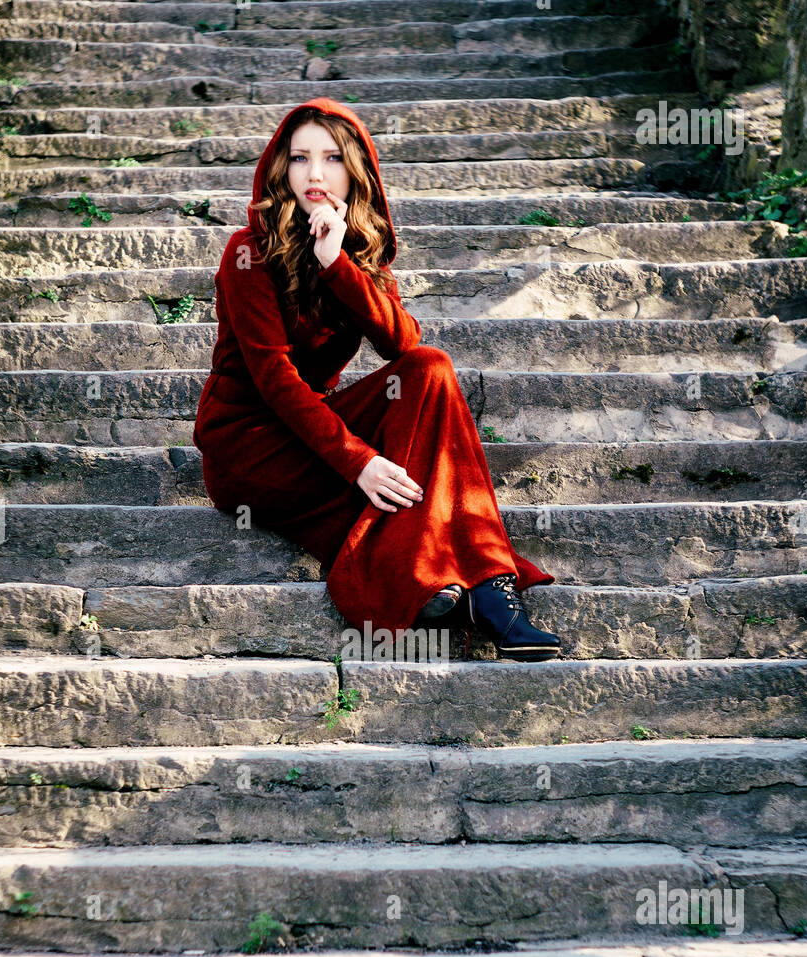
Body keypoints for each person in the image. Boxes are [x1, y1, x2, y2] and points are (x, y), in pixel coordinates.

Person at [193, 96, 561, 660]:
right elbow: (275, 380)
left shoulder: (355, 255)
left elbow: (403, 345)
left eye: (332, 159)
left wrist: (336, 262)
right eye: (299, 159)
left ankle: (480, 590)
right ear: (279, 167)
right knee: (406, 488)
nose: (314, 174)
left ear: (355, 169)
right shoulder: (248, 253)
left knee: (430, 369)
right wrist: (359, 460)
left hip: (311, 435)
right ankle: (475, 588)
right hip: (251, 448)